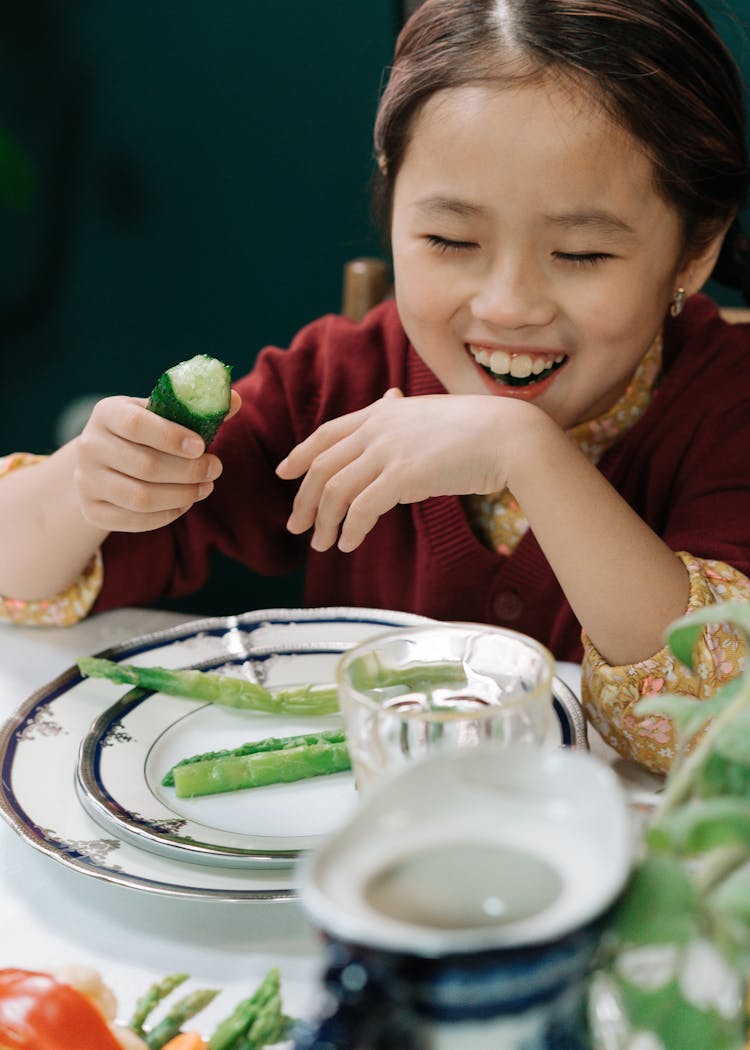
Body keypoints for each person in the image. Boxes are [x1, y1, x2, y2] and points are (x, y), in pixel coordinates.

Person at [1, 0, 749, 774]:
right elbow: (15, 570)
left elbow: (718, 724)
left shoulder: (729, 407)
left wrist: (525, 450)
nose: (508, 305)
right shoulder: (335, 382)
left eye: (583, 253)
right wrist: (84, 484)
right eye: (450, 240)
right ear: (393, 200)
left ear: (696, 248)